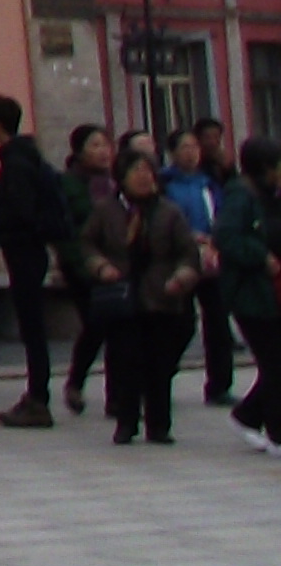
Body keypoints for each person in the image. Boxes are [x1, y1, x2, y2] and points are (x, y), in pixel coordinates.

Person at [90, 150, 211, 448]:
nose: (144, 177)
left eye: (148, 170)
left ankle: (159, 424)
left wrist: (182, 276)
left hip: (161, 297)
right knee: (126, 361)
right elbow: (87, 244)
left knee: (160, 364)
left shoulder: (169, 212)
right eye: (136, 170)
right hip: (123, 296)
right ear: (122, 177)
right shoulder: (107, 211)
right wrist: (100, 266)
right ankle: (126, 421)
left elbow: (187, 253)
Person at [0, 95, 69, 425]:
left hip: (24, 250)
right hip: (32, 250)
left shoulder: (15, 164)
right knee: (33, 326)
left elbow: (20, 211)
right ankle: (37, 395)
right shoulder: (28, 158)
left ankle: (38, 398)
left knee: (33, 328)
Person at [163, 125, 237, 409]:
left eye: (195, 147)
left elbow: (223, 212)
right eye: (184, 147)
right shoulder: (166, 184)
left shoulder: (209, 182)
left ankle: (219, 385)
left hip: (212, 259)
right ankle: (160, 376)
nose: (191, 153)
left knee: (218, 321)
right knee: (180, 324)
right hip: (180, 259)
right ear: (172, 153)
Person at [214, 137, 280, 453]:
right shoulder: (241, 196)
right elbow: (226, 237)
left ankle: (248, 416)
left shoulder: (271, 196)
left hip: (273, 293)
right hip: (252, 296)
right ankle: (275, 432)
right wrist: (260, 255)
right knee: (275, 364)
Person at [57, 123, 119, 413]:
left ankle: (117, 396)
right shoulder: (69, 184)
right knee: (96, 325)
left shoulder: (115, 182)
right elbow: (66, 229)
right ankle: (76, 382)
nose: (103, 151)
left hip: (116, 265)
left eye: (106, 144)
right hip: (82, 267)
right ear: (80, 151)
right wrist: (79, 263)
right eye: (95, 145)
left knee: (116, 327)